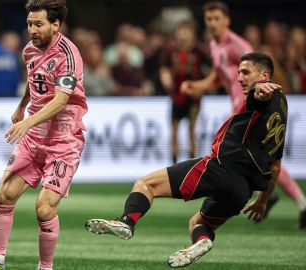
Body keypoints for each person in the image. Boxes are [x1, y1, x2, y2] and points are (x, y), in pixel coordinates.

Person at [85, 52, 287, 268]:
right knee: (198, 223)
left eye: (246, 73)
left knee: (145, 184)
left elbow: (258, 94)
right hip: (243, 191)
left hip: (220, 168)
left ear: (264, 75)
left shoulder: (262, 94)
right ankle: (202, 241)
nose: (239, 78)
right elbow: (275, 167)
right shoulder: (282, 105)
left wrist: (259, 89)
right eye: (238, 73)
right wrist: (263, 201)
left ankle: (126, 222)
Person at [0, 0, 87, 269]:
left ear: (55, 25)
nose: (32, 30)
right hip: (34, 138)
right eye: (30, 24)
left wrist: (26, 122)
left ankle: (45, 267)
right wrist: (22, 106)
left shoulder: (68, 55)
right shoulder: (28, 51)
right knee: (4, 195)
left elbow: (60, 100)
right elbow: (34, 81)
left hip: (63, 140)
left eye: (39, 24)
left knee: (44, 208)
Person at [182, 1, 306, 229]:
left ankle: (276, 196)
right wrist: (197, 86)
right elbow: (218, 78)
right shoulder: (214, 45)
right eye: (209, 19)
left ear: (227, 20)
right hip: (238, 109)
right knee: (260, 158)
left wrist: (272, 98)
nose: (212, 23)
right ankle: (270, 193)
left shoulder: (237, 45)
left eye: (217, 18)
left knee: (254, 156)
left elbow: (260, 70)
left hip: (251, 109)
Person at [159, 20, 208, 164]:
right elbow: (163, 67)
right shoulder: (171, 50)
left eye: (187, 30)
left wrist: (202, 87)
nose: (184, 34)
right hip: (176, 97)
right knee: (174, 130)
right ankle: (173, 164)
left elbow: (213, 68)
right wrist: (165, 77)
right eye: (181, 30)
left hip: (193, 98)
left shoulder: (199, 50)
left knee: (192, 132)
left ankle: (192, 165)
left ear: (192, 33)